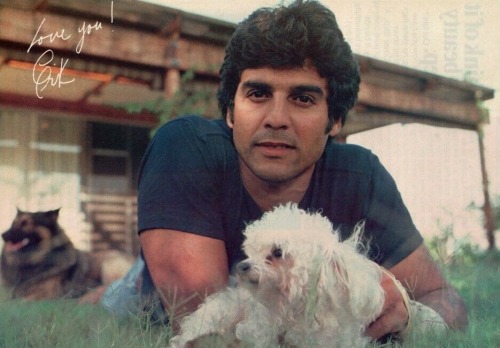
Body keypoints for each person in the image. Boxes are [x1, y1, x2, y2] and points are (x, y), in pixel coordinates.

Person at [135, 0, 467, 340]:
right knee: (114, 292)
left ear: (334, 120)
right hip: (146, 290)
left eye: (303, 99)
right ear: (231, 112)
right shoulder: (186, 148)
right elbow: (217, 333)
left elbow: (446, 300)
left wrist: (410, 312)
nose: (276, 118)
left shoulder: (360, 176)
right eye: (258, 93)